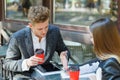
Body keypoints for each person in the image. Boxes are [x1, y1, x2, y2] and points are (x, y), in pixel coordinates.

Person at [3, 6, 70, 80]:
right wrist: (27, 62)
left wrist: (64, 56)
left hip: (47, 72)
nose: (44, 31)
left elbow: (63, 50)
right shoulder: (17, 37)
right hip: (25, 75)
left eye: (46, 27)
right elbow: (7, 63)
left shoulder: (54, 31)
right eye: (40, 29)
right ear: (30, 26)